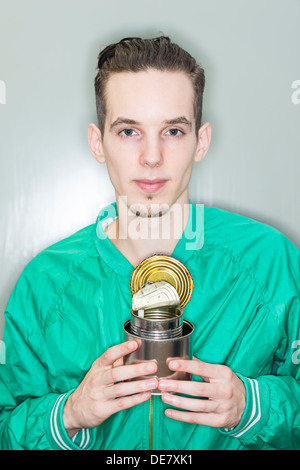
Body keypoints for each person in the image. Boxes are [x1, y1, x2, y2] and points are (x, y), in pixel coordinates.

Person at [0, 36, 299, 451]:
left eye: (173, 130)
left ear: (202, 140)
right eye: (128, 131)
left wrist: (254, 405)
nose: (152, 157)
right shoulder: (43, 283)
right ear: (97, 142)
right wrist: (68, 414)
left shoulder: (271, 262)